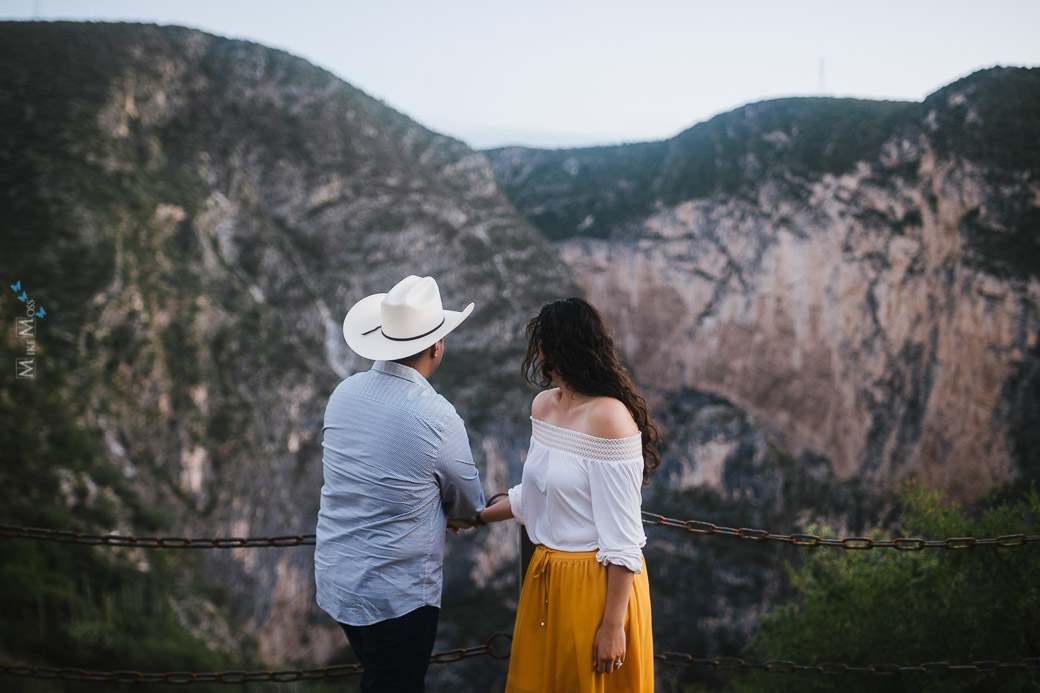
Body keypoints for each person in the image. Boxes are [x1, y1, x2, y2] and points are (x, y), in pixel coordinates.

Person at [475, 297, 660, 693]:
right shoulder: (544, 406)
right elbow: (537, 495)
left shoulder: (610, 418)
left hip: (593, 588)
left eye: (539, 342)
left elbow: (624, 539)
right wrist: (475, 518)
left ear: (554, 349)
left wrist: (612, 627)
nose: (536, 351)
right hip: (543, 580)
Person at [315, 275, 487, 693]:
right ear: (436, 346)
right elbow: (467, 502)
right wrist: (455, 516)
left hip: (338, 578)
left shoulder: (344, 393)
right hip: (396, 595)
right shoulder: (437, 418)